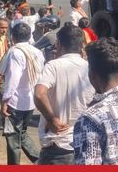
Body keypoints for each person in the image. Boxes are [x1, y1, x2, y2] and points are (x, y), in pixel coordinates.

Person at [34, 23, 95, 164]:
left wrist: (51, 119)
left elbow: (39, 94)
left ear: (59, 44)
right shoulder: (90, 67)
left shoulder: (53, 66)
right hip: (84, 143)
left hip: (58, 144)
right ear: (82, 45)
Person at [0, 22, 45, 165]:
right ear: (29, 35)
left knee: (13, 138)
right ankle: (39, 161)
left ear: (13, 36)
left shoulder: (15, 52)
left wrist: (5, 100)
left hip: (16, 101)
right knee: (22, 133)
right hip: (30, 101)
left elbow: (13, 79)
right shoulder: (37, 52)